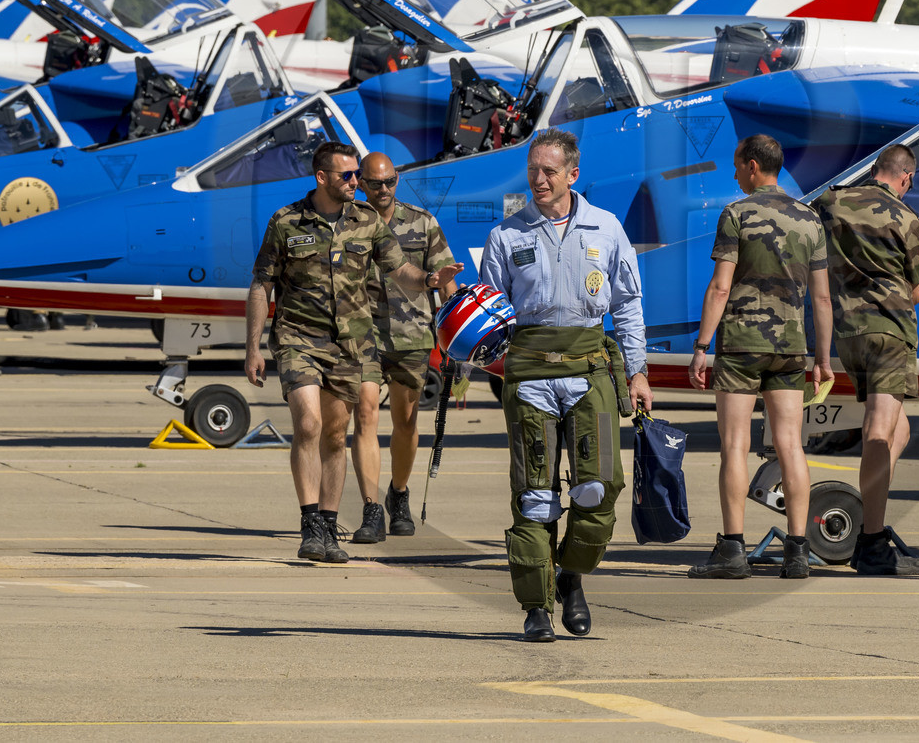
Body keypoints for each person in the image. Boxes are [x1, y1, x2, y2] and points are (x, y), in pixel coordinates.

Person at [245, 142, 460, 563]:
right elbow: (261, 284)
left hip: (349, 344)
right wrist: (252, 347)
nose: (355, 183)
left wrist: (432, 280)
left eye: (355, 176)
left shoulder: (366, 222)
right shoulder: (286, 221)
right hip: (298, 337)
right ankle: (310, 524)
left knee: (334, 433)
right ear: (321, 178)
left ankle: (327, 527)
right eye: (347, 176)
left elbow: (402, 271)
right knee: (308, 423)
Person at [479, 130, 652, 642]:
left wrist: (637, 370)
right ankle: (536, 606)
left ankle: (571, 575)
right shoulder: (506, 236)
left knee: (598, 488)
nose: (539, 179)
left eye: (550, 171)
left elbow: (627, 304)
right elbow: (492, 314)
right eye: (534, 169)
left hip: (590, 368)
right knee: (534, 496)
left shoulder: (607, 228)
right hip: (529, 373)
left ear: (573, 174)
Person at [687, 134, 832, 582]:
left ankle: (732, 550)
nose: (733, 174)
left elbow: (720, 287)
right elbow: (823, 299)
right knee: (791, 445)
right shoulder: (809, 219)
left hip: (742, 346)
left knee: (735, 446)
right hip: (790, 349)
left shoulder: (737, 215)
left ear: (753, 167)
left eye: (736, 166)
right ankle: (798, 551)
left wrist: (701, 346)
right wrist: (822, 358)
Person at [813, 143, 919, 576]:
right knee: (880, 431)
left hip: (849, 334)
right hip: (890, 332)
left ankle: (871, 515)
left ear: (876, 169)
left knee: (899, 430)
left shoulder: (834, 200)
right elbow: (915, 291)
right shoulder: (907, 219)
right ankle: (873, 541)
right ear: (906, 178)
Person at [357, 151, 457, 537]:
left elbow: (444, 278)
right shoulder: (348, 223)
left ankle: (398, 494)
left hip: (411, 335)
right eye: (375, 183)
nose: (384, 189)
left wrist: (458, 336)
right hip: (361, 334)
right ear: (361, 182)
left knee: (406, 420)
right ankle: (370, 507)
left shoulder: (421, 221)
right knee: (365, 413)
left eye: (390, 182)